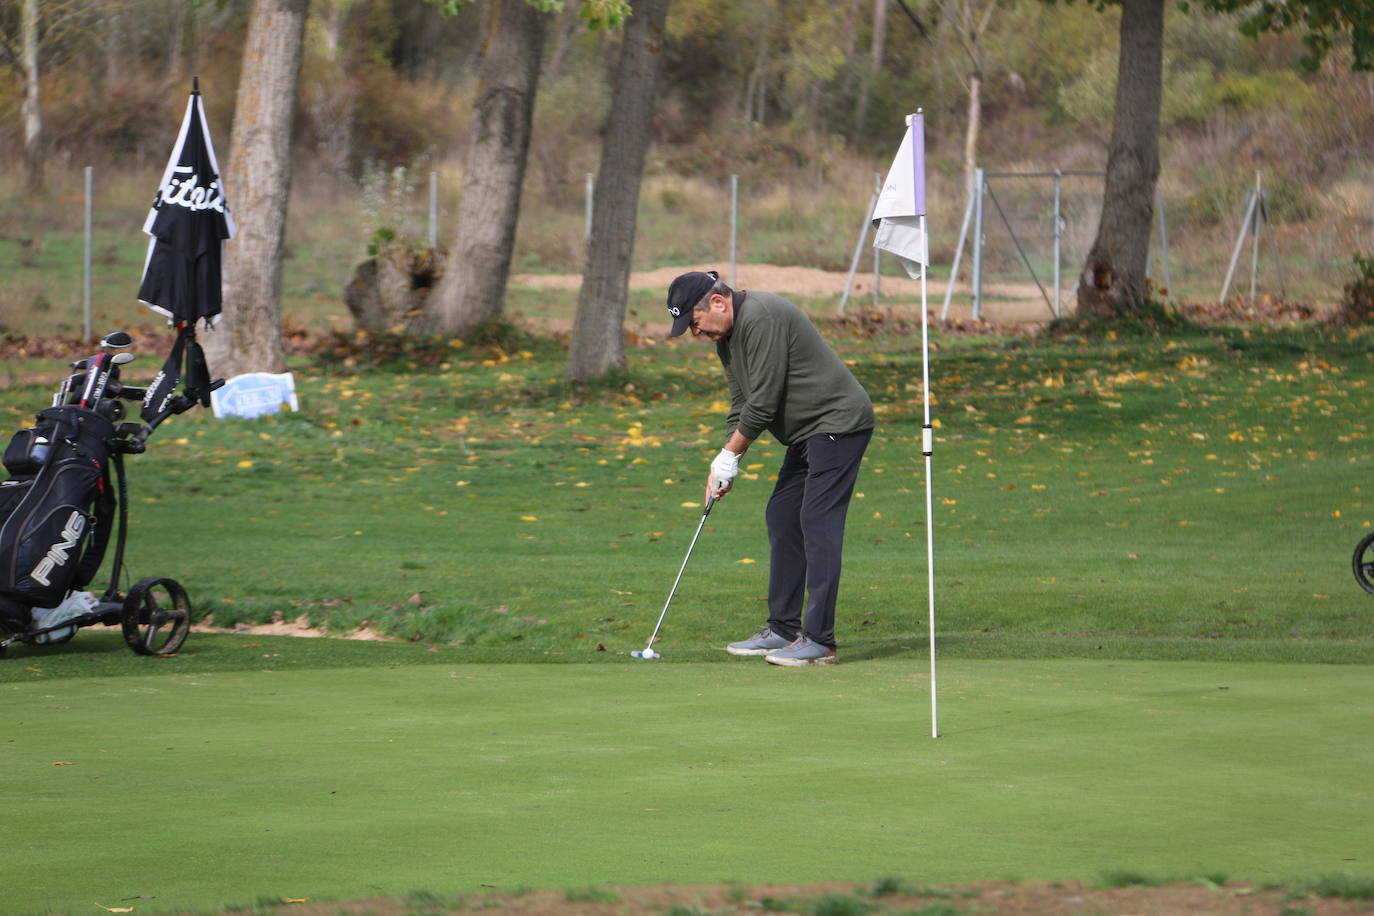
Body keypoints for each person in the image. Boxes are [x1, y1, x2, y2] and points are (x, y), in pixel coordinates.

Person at [666, 270, 874, 666]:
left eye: (694, 323)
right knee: (782, 516)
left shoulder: (761, 316)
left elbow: (764, 401)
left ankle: (819, 640)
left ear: (717, 302)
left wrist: (730, 456)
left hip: (839, 423)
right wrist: (725, 461)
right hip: (807, 432)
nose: (695, 333)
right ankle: (783, 629)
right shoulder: (725, 339)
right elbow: (741, 403)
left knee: (817, 522)